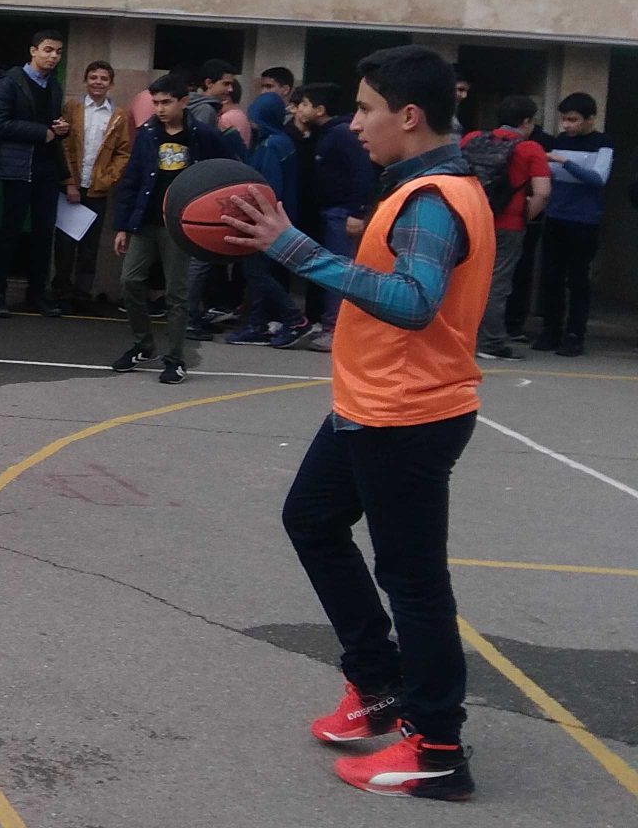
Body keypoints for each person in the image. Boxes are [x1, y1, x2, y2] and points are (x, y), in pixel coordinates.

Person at [223, 44, 494, 802]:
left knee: (413, 580)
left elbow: (414, 302)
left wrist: (293, 248)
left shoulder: (433, 198)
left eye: (367, 108)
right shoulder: (423, 186)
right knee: (311, 520)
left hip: (407, 414)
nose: (354, 122)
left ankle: (437, 747)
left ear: (408, 116)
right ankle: (378, 684)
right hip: (371, 404)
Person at [110, 71, 226, 385]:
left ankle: (175, 359)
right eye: (156, 102)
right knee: (130, 281)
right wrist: (122, 226)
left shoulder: (202, 135)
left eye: (166, 102)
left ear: (183, 102)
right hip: (145, 221)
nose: (160, 108)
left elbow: (227, 170)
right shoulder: (148, 133)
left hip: (179, 225)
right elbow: (132, 179)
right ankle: (143, 343)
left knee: (176, 293)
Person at [0, 29, 70, 318]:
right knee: (10, 231)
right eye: (48, 50)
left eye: (58, 52)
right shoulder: (9, 82)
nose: (53, 56)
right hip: (18, 166)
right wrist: (40, 132)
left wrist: (61, 129)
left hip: (47, 167)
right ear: (33, 51)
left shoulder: (54, 85)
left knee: (44, 233)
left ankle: (37, 293)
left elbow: (52, 125)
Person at [460, 95, 549, 361]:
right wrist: (524, 216)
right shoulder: (530, 149)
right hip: (508, 224)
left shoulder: (472, 139)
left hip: (471, 218)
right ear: (526, 121)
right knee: (497, 283)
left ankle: (459, 336)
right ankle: (491, 342)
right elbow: (543, 192)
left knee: (464, 278)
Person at [290, 83, 375, 352]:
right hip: (330, 210)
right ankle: (329, 323)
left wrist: (357, 210)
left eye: (305, 104)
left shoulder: (341, 133)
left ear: (320, 109)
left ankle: (336, 328)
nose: (299, 109)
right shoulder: (324, 133)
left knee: (339, 270)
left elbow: (362, 172)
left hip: (342, 212)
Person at [226, 92, 313, 348]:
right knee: (260, 272)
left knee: (255, 271)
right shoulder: (277, 141)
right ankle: (259, 323)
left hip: (268, 220)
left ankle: (295, 320)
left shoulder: (272, 145)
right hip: (277, 218)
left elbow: (266, 185)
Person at [535, 93, 612, 357]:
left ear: (590, 119)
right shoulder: (560, 141)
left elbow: (598, 178)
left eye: (573, 120)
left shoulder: (602, 143)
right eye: (564, 120)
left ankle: (575, 334)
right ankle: (551, 329)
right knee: (551, 276)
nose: (567, 125)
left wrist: (564, 161)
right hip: (556, 216)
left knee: (578, 279)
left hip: (584, 220)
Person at [57, 59, 132, 308]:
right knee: (65, 242)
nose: (98, 83)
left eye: (103, 79)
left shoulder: (118, 115)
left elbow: (123, 152)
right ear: (85, 80)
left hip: (98, 188)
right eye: (93, 78)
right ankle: (61, 290)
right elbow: (64, 145)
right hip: (72, 186)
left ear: (111, 83)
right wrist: (69, 182)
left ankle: (82, 292)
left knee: (90, 245)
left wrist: (109, 179)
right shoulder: (73, 108)